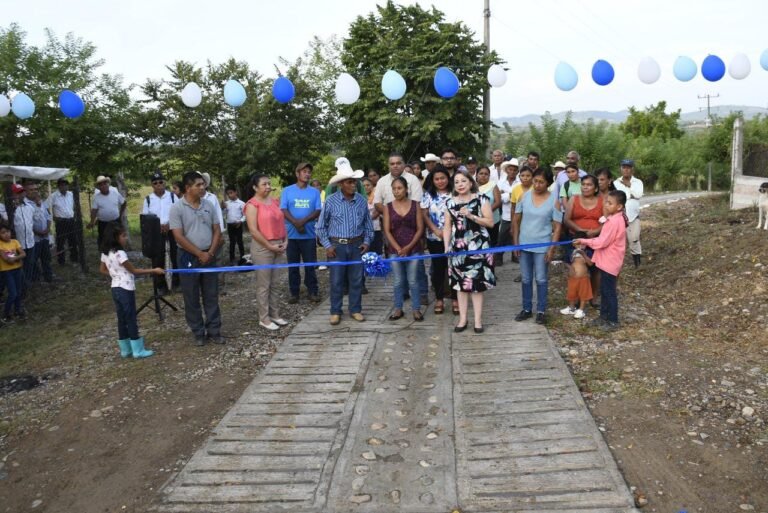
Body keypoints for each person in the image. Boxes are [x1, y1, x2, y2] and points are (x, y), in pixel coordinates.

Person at [169, 171, 223, 346]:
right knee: (191, 295)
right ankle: (198, 332)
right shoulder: (177, 208)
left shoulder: (208, 204)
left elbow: (216, 230)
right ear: (187, 188)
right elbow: (178, 236)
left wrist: (210, 252)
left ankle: (214, 330)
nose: (202, 187)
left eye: (203, 184)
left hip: (209, 254)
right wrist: (199, 254)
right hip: (187, 256)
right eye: (198, 185)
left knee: (211, 294)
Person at [316, 162, 373, 326]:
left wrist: (367, 242)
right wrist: (327, 246)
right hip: (337, 246)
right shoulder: (330, 201)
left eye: (354, 181)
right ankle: (335, 311)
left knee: (356, 280)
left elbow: (368, 225)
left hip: (357, 245)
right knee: (336, 281)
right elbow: (320, 226)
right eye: (349, 182)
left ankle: (355, 309)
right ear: (341, 184)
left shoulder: (361, 201)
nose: (353, 184)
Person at [99, 223, 164, 358]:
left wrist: (115, 274)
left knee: (121, 318)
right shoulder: (120, 253)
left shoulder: (106, 253)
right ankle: (137, 350)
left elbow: (102, 270)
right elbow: (134, 271)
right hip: (125, 288)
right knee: (131, 318)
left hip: (115, 288)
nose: (126, 238)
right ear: (116, 237)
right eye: (123, 236)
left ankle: (125, 349)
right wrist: (154, 270)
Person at [444, 170, 496, 333]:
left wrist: (471, 215)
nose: (460, 184)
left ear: (471, 182)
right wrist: (446, 246)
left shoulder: (482, 199)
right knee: (460, 285)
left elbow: (490, 223)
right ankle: (462, 319)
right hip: (458, 248)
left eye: (463, 181)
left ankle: (478, 321)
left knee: (476, 286)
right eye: (456, 182)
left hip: (479, 247)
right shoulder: (449, 203)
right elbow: (447, 227)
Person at [512, 168, 563, 325]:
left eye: (541, 182)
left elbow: (557, 227)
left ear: (548, 183)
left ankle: (541, 310)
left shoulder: (554, 201)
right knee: (526, 278)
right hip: (524, 244)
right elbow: (516, 220)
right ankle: (526, 309)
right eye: (535, 181)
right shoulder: (524, 196)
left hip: (542, 246)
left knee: (541, 279)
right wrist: (516, 243)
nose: (537, 185)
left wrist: (552, 248)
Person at [374, 152, 426, 302]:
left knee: (417, 267)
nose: (395, 166)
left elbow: (416, 203)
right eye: (392, 163)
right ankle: (403, 294)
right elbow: (377, 203)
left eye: (398, 163)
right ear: (388, 165)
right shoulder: (382, 181)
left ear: (403, 164)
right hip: (392, 229)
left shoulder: (412, 180)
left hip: (412, 227)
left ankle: (422, 294)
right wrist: (391, 212)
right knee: (397, 268)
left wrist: (402, 211)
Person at [574, 190, 628, 331]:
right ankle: (603, 317)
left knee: (609, 292)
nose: (606, 205)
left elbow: (602, 242)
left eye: (610, 203)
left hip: (610, 262)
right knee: (604, 290)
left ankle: (613, 321)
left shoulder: (613, 222)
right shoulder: (615, 219)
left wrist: (584, 241)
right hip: (607, 261)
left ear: (619, 207)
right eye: (606, 202)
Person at [245, 174, 288, 330]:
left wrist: (286, 240)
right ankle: (264, 318)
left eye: (269, 184)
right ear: (255, 187)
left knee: (276, 282)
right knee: (264, 284)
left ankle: (275, 314)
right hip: (262, 247)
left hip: (279, 245)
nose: (268, 187)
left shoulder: (275, 202)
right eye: (264, 184)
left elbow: (282, 223)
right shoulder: (252, 205)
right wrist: (269, 246)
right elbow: (253, 230)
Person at [383, 176, 424, 321]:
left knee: (413, 280)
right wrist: (398, 248)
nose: (396, 191)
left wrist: (408, 247)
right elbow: (387, 230)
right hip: (395, 250)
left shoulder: (415, 205)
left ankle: (416, 309)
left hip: (413, 248)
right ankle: (398, 308)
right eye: (394, 189)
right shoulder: (388, 207)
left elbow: (420, 229)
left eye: (399, 188)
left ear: (406, 189)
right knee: (398, 281)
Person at [280, 162, 322, 304]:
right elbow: (283, 209)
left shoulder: (314, 192)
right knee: (293, 266)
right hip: (291, 235)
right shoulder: (287, 190)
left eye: (309, 172)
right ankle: (294, 292)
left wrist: (302, 222)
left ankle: (312, 291)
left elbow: (317, 210)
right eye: (304, 171)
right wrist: (296, 223)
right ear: (297, 173)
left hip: (308, 235)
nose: (307, 174)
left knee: (310, 265)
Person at [562, 175, 603, 318]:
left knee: (595, 269)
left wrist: (594, 232)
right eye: (583, 184)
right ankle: (577, 300)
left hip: (595, 239)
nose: (585, 187)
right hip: (576, 239)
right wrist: (580, 231)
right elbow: (566, 219)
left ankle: (593, 297)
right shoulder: (574, 199)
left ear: (596, 188)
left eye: (589, 185)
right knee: (577, 269)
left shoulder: (602, 201)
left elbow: (607, 222)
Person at [421, 166, 453, 315]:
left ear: (448, 178)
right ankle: (439, 299)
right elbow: (424, 214)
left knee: (453, 268)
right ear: (433, 181)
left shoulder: (455, 193)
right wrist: (435, 230)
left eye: (443, 178)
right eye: (437, 179)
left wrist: (448, 232)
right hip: (434, 237)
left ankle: (456, 299)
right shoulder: (428, 195)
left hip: (454, 237)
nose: (440, 181)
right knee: (438, 269)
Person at [142, 171, 178, 294]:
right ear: (152, 185)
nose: (158, 184)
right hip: (156, 231)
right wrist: (158, 226)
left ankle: (177, 283)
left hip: (172, 229)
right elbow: (146, 218)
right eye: (155, 183)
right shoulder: (148, 199)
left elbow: (178, 213)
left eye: (161, 182)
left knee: (175, 255)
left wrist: (169, 224)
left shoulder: (172, 196)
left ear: (165, 183)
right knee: (158, 258)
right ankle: (160, 285)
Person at [613, 159, 643, 267]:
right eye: (624, 167)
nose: (626, 170)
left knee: (634, 238)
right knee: (617, 241)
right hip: (619, 216)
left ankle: (637, 263)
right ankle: (616, 263)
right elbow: (615, 197)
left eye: (628, 168)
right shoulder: (616, 183)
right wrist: (630, 196)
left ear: (632, 169)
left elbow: (638, 195)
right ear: (621, 169)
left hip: (634, 216)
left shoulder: (638, 182)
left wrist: (628, 185)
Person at [509, 165, 534, 282]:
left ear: (532, 177)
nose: (525, 178)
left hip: (533, 222)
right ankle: (524, 272)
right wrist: (512, 224)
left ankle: (534, 270)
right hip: (519, 222)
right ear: (519, 177)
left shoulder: (536, 187)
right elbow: (513, 208)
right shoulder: (515, 189)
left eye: (528, 175)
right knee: (521, 247)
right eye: (523, 176)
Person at [46, 178, 79, 265]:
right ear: (58, 186)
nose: (64, 186)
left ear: (67, 186)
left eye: (65, 185)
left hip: (71, 220)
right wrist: (53, 217)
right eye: (62, 185)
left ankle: (74, 259)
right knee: (60, 242)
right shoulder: (53, 196)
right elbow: (45, 207)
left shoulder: (71, 194)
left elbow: (75, 206)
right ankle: (61, 261)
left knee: (73, 240)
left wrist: (74, 214)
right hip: (61, 221)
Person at [88, 175, 126, 249]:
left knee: (117, 239)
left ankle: (118, 254)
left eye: (105, 183)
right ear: (98, 187)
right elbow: (94, 211)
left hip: (115, 221)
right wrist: (92, 222)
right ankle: (104, 254)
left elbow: (124, 203)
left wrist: (120, 215)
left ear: (108, 184)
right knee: (104, 241)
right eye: (101, 184)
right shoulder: (96, 197)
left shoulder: (115, 193)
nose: (103, 186)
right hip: (103, 223)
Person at [0, 221, 26, 322]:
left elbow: (23, 254)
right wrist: (18, 258)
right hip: (7, 272)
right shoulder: (1, 244)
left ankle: (17, 310)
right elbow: (6, 259)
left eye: (8, 231)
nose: (6, 234)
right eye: (3, 233)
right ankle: (6, 315)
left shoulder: (15, 242)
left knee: (18, 292)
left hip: (17, 269)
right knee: (13, 293)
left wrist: (15, 258)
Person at [476, 166, 502, 265]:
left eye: (486, 174)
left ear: (489, 176)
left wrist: (486, 212)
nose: (483, 176)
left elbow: (498, 202)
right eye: (481, 173)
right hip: (477, 221)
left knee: (492, 244)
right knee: (479, 244)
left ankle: (491, 265)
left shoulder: (493, 186)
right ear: (476, 175)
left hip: (493, 221)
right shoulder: (471, 186)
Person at [11, 184, 36, 286]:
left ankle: (27, 284)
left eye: (22, 192)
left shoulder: (30, 207)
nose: (20, 195)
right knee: (17, 265)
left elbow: (32, 222)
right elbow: (7, 224)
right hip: (17, 244)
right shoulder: (9, 208)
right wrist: (13, 208)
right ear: (13, 195)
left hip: (30, 242)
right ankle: (19, 285)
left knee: (29, 264)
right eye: (17, 193)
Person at [497, 159, 520, 266]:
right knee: (502, 236)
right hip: (505, 214)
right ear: (507, 170)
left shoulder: (520, 182)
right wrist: (510, 195)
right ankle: (499, 257)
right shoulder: (501, 182)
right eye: (510, 169)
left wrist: (506, 194)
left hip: (518, 213)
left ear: (517, 171)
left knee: (516, 235)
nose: (512, 172)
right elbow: (498, 197)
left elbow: (520, 197)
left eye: (514, 170)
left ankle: (515, 256)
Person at [30, 190, 53, 283]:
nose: (38, 199)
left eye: (39, 197)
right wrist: (37, 232)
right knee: (34, 259)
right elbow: (29, 223)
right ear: (32, 199)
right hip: (36, 239)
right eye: (36, 197)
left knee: (46, 258)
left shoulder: (44, 205)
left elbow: (49, 217)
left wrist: (47, 229)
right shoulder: (30, 207)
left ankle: (48, 276)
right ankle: (36, 277)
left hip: (45, 237)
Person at [223, 185, 246, 265]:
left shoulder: (241, 203)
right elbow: (224, 214)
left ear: (236, 192)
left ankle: (243, 258)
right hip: (230, 225)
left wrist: (240, 221)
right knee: (232, 242)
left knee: (240, 242)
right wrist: (223, 208)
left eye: (231, 193)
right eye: (228, 194)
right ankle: (232, 259)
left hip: (238, 225)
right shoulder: (226, 203)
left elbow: (245, 215)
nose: (230, 195)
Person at [363, 178, 383, 255]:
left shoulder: (377, 197)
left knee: (377, 252)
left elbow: (378, 211)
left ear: (372, 186)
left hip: (376, 228)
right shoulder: (359, 198)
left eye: (368, 185)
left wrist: (367, 218)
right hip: (364, 231)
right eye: (364, 185)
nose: (366, 187)